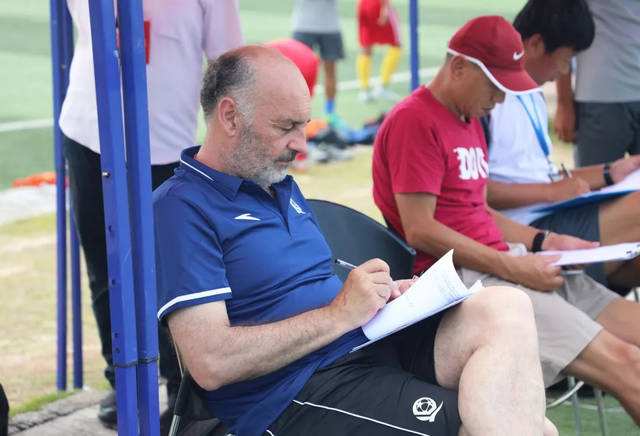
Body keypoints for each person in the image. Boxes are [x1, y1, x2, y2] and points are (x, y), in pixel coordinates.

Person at [154, 45, 557, 436]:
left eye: (303, 125)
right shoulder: (182, 207)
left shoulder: (275, 183)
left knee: (507, 305)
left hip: (361, 344)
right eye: (286, 127)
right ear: (230, 116)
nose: (301, 144)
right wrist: (340, 314)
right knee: (533, 428)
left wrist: (382, 298)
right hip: (292, 392)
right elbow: (211, 362)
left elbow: (312, 290)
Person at [372, 14, 640, 424]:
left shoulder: (468, 119)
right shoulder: (415, 119)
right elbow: (420, 229)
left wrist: (544, 242)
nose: (499, 100)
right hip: (469, 281)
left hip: (507, 263)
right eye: (495, 86)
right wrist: (513, 266)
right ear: (458, 67)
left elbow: (477, 210)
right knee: (627, 364)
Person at [58, 0, 242, 428]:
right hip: (88, 130)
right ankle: (120, 376)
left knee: (174, 276)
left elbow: (228, 61)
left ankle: (181, 388)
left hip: (166, 145)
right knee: (104, 266)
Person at [486, 0, 640, 294]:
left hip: (549, 215)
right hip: (530, 227)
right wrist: (550, 192)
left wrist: (610, 172)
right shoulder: (489, 100)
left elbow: (538, 176)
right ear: (535, 44)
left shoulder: (530, 92)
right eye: (566, 59)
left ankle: (596, 303)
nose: (564, 70)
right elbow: (475, 193)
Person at [554, 0, 640, 166]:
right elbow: (563, 22)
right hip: (600, 96)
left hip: (598, 97)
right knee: (595, 181)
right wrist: (564, 103)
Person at [291, 0, 345, 128]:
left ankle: (330, 114)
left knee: (330, 72)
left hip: (329, 26)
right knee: (298, 74)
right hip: (303, 25)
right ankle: (298, 114)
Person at [356, 0, 402, 102]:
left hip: (363, 5)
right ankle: (382, 86)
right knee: (396, 45)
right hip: (378, 5)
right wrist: (385, 7)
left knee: (366, 46)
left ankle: (364, 90)